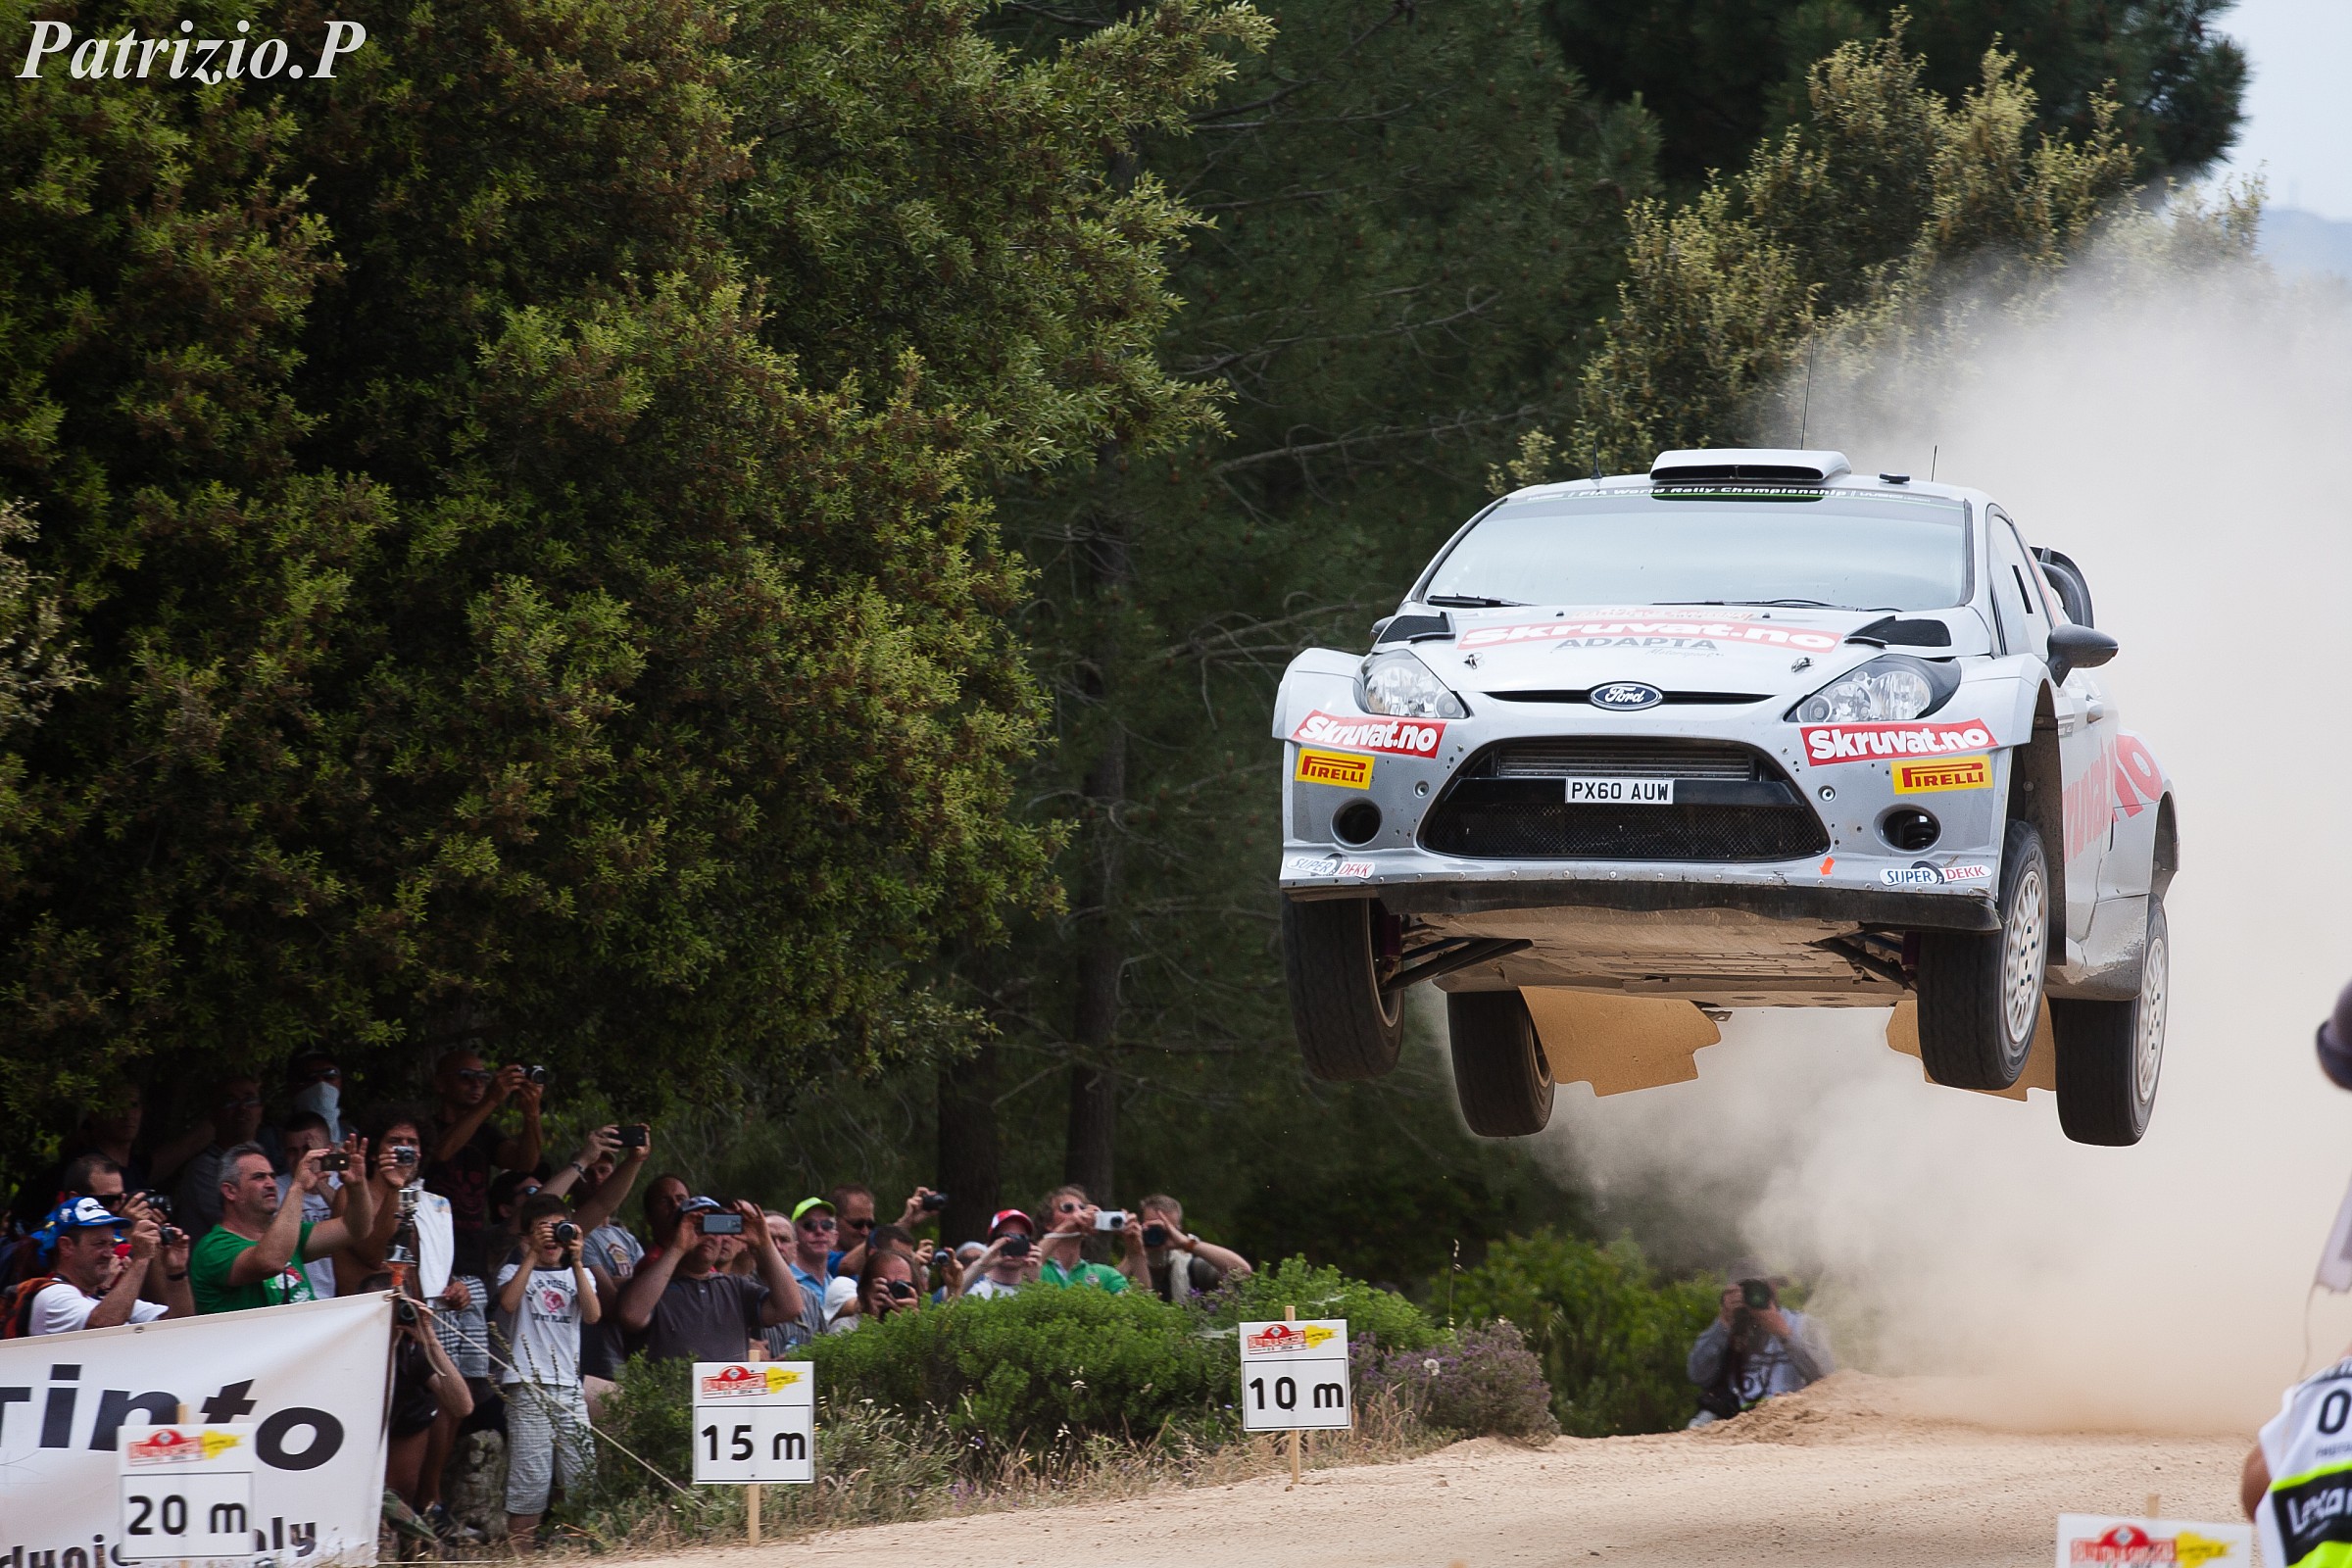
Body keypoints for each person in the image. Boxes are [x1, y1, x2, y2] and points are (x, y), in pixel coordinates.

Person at [496, 1193, 600, 1547]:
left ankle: (578, 1552)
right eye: (544, 1230)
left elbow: (593, 1314)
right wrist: (531, 1254)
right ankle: (522, 1555)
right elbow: (508, 1303)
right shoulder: (513, 1271)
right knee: (530, 1481)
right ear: (527, 1236)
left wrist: (577, 1260)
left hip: (569, 1386)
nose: (553, 1238)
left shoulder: (579, 1274)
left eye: (560, 1229)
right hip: (527, 1383)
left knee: (581, 1477)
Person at [190, 1139, 373, 1312]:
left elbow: (355, 1229)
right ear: (230, 1191)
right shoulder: (213, 1248)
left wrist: (357, 1185)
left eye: (272, 1176)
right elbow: (270, 1262)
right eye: (259, 1177)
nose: (271, 1184)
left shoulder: (287, 1235)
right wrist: (298, 1187)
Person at [615, 1198, 803, 1361]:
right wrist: (678, 1248)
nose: (708, 1235)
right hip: (670, 1392)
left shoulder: (735, 1288)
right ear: (675, 1234)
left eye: (715, 1226)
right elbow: (631, 1315)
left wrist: (764, 1243)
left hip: (728, 1390)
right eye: (698, 1226)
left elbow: (790, 1308)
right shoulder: (651, 1288)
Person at [422, 1052, 545, 1280]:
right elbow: (442, 1151)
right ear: (440, 1084)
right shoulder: (424, 1128)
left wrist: (532, 1114)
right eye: (466, 1076)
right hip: (428, 1248)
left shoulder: (486, 1133)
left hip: (472, 1255)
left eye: (483, 1077)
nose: (476, 1083)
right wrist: (491, 1099)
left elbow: (526, 1162)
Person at [372, 1279, 476, 1528]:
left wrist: (430, 1341)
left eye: (399, 1307)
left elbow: (462, 1406)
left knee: (398, 1501)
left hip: (399, 1425)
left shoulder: (411, 1352)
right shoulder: (344, 1349)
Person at [14, 1197, 192, 1334]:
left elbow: (181, 1324)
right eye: (99, 1244)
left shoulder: (103, 1300)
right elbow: (103, 1326)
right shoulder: (53, 1295)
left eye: (111, 1244)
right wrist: (141, 1258)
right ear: (66, 1246)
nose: (109, 1254)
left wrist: (176, 1271)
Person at [1686, 1273, 1834, 1425]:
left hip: (1793, 1414)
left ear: (1774, 1286)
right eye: (1745, 1290)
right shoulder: (1727, 1329)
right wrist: (1723, 1324)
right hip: (1736, 1417)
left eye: (1759, 1287)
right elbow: (1697, 1375)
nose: (1753, 1295)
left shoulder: (1803, 1325)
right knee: (1698, 1424)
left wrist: (1785, 1335)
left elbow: (1828, 1379)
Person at [173, 1075, 268, 1235]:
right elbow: (242, 1227)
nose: (242, 1108)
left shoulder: (266, 1160)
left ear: (261, 1110)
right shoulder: (204, 1169)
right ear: (214, 1115)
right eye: (230, 1102)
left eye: (250, 1100)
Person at [1135, 1195, 1250, 1302]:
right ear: (1139, 1226)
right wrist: (1134, 1251)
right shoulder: (1131, 1264)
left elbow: (1243, 1272)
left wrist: (1186, 1243)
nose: (1156, 1233)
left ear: (1177, 1230)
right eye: (1151, 1227)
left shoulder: (1192, 1269)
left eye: (1165, 1228)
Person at [1035, 1185, 1136, 1293]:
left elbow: (1139, 1299)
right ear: (1048, 1223)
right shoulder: (1038, 1266)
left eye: (1082, 1208)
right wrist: (1063, 1230)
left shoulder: (1105, 1275)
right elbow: (1029, 1267)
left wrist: (1137, 1252)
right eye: (1068, 1208)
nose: (1078, 1213)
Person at [783, 1197, 838, 1344]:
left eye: (826, 1225)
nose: (819, 1231)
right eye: (809, 1225)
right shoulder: (781, 1283)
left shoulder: (837, 1286)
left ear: (835, 1236)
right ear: (794, 1235)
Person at [957, 1209, 1040, 1300]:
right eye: (1007, 1238)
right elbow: (949, 1298)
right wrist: (980, 1265)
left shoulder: (1033, 1290)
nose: (1013, 1243)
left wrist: (1035, 1282)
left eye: (1021, 1238)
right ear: (991, 1244)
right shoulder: (974, 1286)